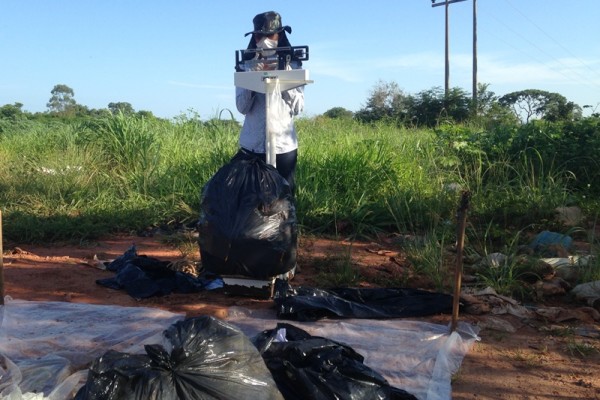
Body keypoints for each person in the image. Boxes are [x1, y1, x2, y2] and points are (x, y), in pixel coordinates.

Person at [235, 11, 304, 195]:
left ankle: (285, 225)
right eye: (260, 36)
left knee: (283, 196)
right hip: (253, 145)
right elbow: (242, 107)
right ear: (254, 38)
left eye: (270, 35)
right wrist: (253, 78)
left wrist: (283, 77)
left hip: (283, 145)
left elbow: (298, 107)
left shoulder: (295, 66)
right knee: (250, 197)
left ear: (279, 36)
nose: (264, 40)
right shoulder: (244, 66)